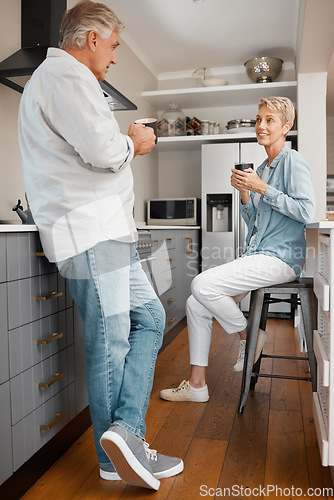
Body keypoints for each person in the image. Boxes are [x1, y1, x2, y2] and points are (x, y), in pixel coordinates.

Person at [18, 0, 183, 491]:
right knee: (110, 340)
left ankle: (125, 434)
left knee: (150, 318)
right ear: (91, 39)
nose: (113, 58)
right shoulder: (66, 77)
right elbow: (104, 151)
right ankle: (116, 458)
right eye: (112, 47)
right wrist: (135, 141)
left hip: (105, 231)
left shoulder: (65, 80)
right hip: (90, 231)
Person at [160, 96, 315, 403]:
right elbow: (254, 222)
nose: (261, 126)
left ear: (286, 126)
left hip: (282, 258)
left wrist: (261, 188)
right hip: (259, 255)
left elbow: (306, 211)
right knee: (195, 304)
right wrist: (246, 195)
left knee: (200, 283)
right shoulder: (262, 167)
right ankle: (197, 385)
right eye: (259, 119)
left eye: (269, 120)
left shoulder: (292, 162)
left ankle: (249, 337)